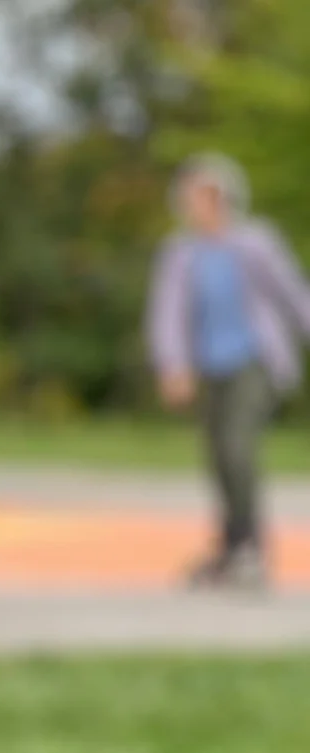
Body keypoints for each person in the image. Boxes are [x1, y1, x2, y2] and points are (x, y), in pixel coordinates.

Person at [147, 153, 310, 591]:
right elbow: (169, 314)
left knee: (238, 448)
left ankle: (251, 551)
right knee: (218, 458)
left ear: (222, 197)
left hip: (254, 360)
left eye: (200, 195)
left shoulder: (255, 242)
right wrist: (173, 366)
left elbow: (292, 293)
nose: (191, 204)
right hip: (210, 366)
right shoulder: (181, 252)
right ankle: (231, 548)